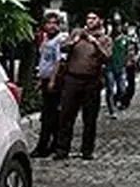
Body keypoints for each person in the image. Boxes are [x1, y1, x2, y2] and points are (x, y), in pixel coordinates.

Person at [54, 11, 111, 160]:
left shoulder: (104, 39)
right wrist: (74, 41)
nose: (90, 21)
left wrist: (95, 43)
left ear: (100, 20)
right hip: (72, 79)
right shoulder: (76, 33)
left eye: (94, 18)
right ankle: (62, 149)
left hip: (92, 81)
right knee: (66, 115)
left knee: (90, 118)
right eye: (88, 18)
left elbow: (107, 58)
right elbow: (63, 48)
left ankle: (87, 150)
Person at [31, 12, 66, 158]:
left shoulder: (60, 40)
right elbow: (43, 60)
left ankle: (46, 145)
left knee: (50, 114)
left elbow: (58, 61)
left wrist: (52, 79)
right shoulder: (45, 39)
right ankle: (49, 143)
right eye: (49, 23)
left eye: (54, 23)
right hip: (45, 79)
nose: (51, 26)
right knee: (48, 113)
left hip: (55, 81)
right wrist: (41, 79)